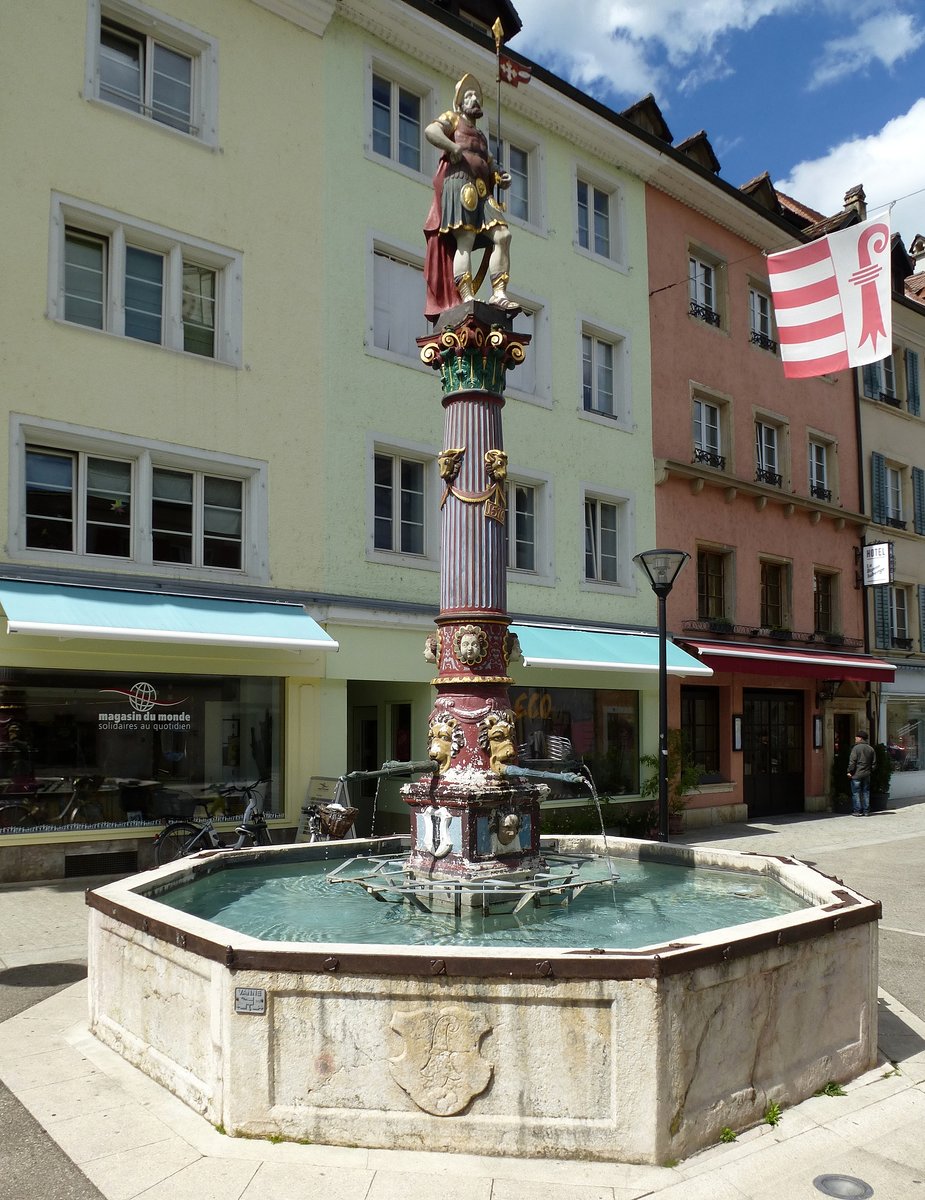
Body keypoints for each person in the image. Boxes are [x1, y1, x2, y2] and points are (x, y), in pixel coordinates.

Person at [423, 73, 519, 321]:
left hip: (482, 189)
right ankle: (465, 295)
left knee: (503, 235)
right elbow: (431, 131)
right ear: (459, 103)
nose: (474, 99)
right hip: (460, 183)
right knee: (464, 239)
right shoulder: (452, 119)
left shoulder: (481, 137)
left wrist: (500, 175)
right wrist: (452, 146)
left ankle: (499, 293)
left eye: (477, 95)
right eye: (468, 96)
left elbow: (489, 163)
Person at [847, 730, 876, 815]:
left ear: (860, 738)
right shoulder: (871, 749)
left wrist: (849, 771)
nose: (855, 738)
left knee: (856, 792)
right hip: (867, 774)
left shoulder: (856, 748)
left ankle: (857, 811)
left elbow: (852, 762)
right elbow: (874, 763)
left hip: (856, 774)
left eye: (856, 737)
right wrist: (870, 771)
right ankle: (866, 811)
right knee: (866, 792)